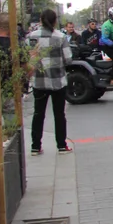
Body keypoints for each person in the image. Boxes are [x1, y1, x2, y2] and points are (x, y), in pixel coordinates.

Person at [27, 9, 73, 156]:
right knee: (59, 114)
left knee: (38, 114)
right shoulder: (60, 37)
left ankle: (35, 146)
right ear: (55, 21)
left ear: (41, 20)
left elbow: (27, 58)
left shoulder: (32, 37)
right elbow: (68, 59)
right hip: (57, 81)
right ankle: (61, 145)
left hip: (39, 82)